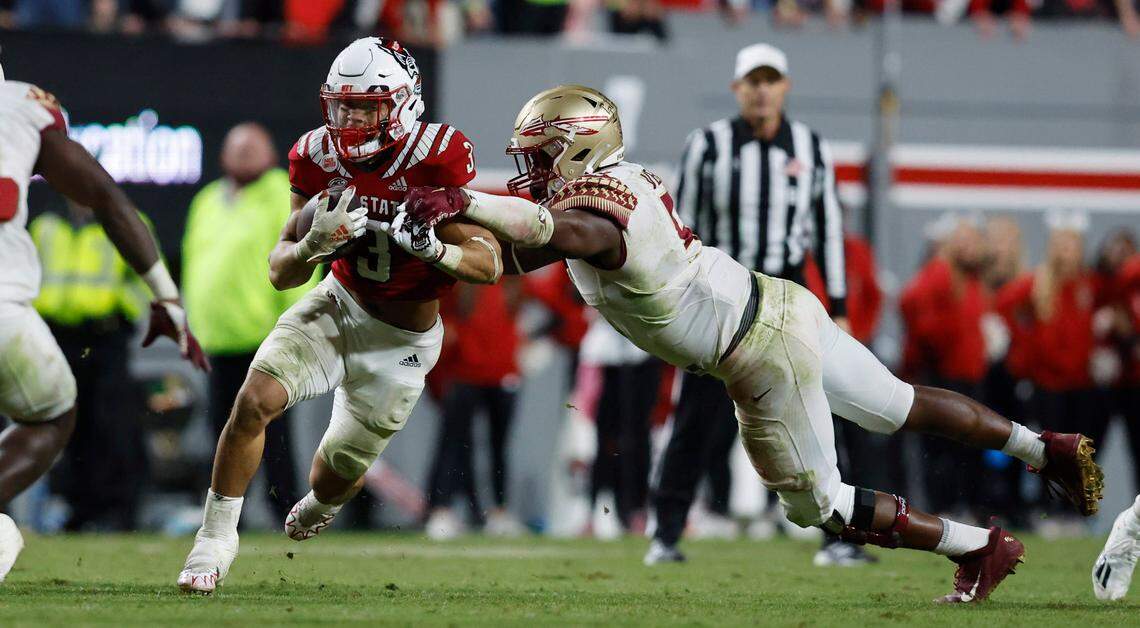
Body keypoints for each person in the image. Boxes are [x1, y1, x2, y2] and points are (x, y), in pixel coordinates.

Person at [401, 84, 1104, 603]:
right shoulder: (613, 186)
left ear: (579, 147)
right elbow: (516, 256)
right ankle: (1049, 451)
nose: (531, 172)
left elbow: (560, 235)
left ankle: (979, 547)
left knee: (818, 507)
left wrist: (465, 202)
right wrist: (430, 234)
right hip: (774, 302)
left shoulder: (596, 213)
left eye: (541, 156)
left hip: (756, 351)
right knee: (897, 404)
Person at [176, 37, 502, 594]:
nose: (350, 118)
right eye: (342, 103)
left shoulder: (436, 155)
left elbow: (488, 263)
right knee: (253, 402)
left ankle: (322, 502)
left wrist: (435, 251)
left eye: (366, 105)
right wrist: (309, 247)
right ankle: (214, 537)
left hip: (403, 340)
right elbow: (281, 271)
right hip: (338, 303)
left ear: (402, 104)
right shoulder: (315, 155)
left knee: (334, 476)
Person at [655, 42, 861, 567]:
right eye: (753, 80)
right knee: (697, 417)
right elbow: (685, 230)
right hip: (719, 294)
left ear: (785, 86)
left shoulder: (812, 148)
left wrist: (837, 304)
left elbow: (829, 230)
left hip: (787, 294)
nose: (762, 89)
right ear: (737, 88)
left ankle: (840, 538)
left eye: (771, 79)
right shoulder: (708, 145)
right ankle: (666, 534)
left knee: (819, 412)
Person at [0, 63, 208, 583]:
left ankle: (104, 511)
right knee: (51, 416)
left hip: (98, 337)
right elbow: (112, 201)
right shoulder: (22, 107)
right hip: (20, 318)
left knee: (103, 431)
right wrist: (169, 300)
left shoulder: (58, 224)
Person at [182, 123, 317, 522]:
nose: (242, 156)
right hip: (219, 339)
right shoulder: (207, 199)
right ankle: (226, 515)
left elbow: (305, 256)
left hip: (266, 336)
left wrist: (300, 324)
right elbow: (195, 262)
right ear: (223, 156)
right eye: (236, 150)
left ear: (269, 153)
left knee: (273, 435)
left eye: (250, 149)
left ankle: (284, 514)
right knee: (222, 434)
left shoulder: (284, 193)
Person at [30, 200, 151, 531]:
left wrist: (131, 314)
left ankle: (118, 510)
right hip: (58, 338)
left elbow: (146, 278)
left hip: (106, 337)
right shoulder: (46, 227)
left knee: (112, 425)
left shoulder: (125, 221)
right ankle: (77, 508)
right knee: (67, 426)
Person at [423, 281, 526, 539]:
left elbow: (547, 297)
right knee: (453, 444)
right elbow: (436, 312)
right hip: (464, 371)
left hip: (503, 372)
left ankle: (499, 512)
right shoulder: (460, 274)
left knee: (499, 447)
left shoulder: (511, 275)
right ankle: (441, 511)